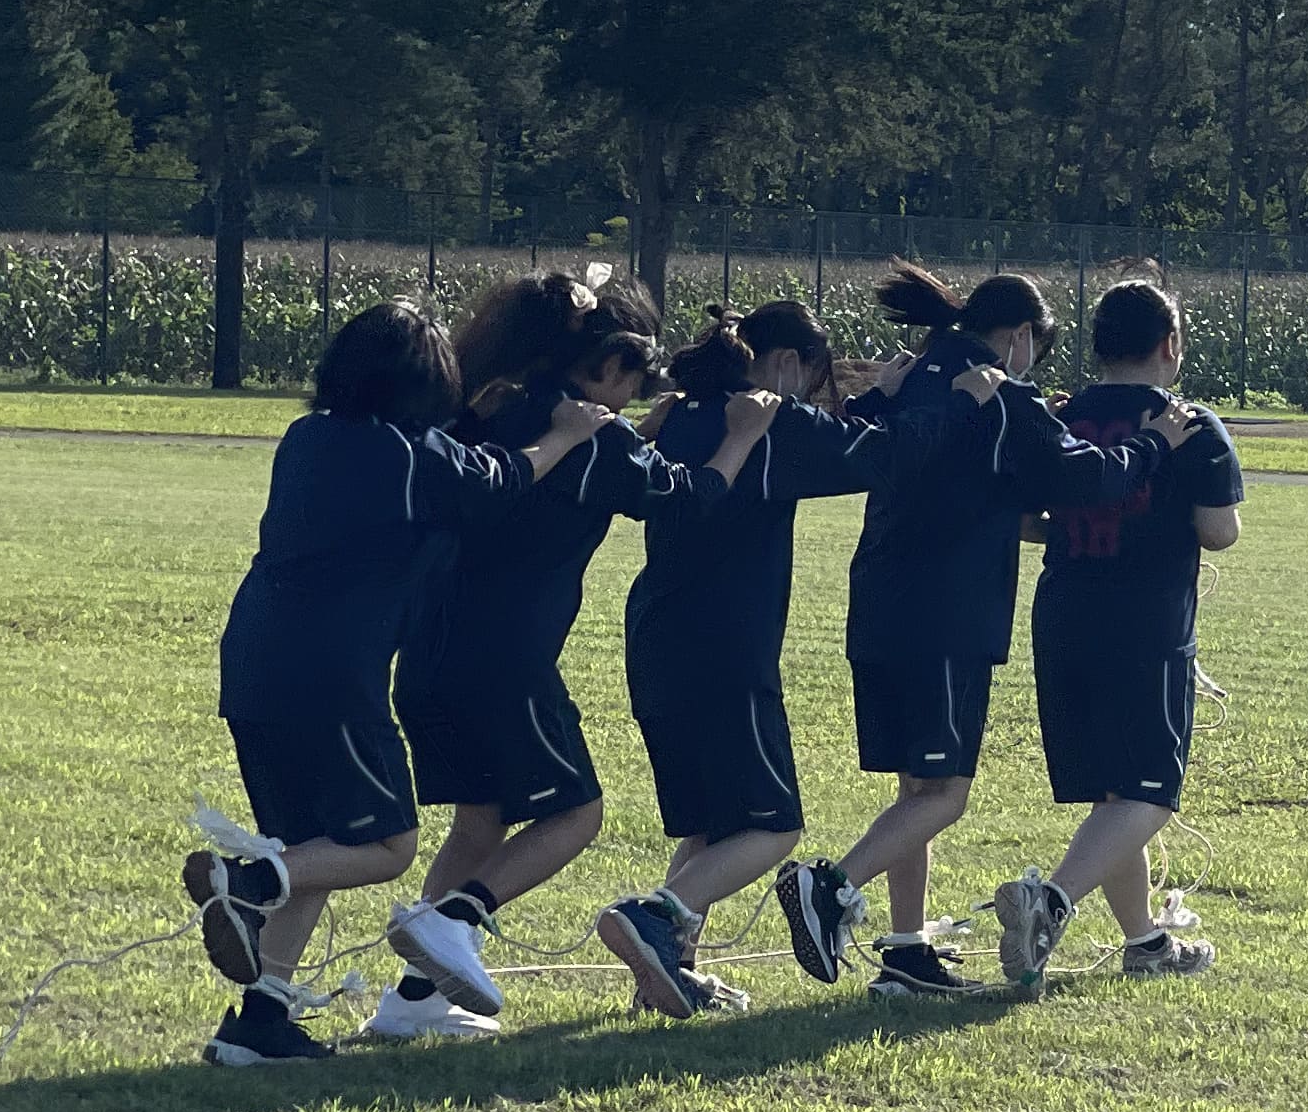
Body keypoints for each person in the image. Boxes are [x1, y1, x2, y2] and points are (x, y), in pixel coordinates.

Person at [190, 299, 609, 1067]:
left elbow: (429, 471)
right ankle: (249, 882)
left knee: (315, 843)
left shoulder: (309, 437)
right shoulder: (409, 456)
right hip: (330, 674)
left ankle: (259, 1022)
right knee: (385, 845)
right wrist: (566, 435)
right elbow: (504, 478)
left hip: (252, 659)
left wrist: (464, 426)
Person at [371, 270, 779, 1042]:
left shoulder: (481, 408)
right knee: (576, 812)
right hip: (508, 658)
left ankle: (414, 1003)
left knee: (479, 823)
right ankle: (457, 917)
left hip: (426, 650)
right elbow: (691, 501)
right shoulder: (594, 434)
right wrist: (742, 437)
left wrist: (639, 435)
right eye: (632, 371)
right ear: (610, 362)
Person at [780, 262, 1188, 999]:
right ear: (1021, 336)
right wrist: (1156, 440)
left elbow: (962, 481)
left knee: (916, 788)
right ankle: (829, 885)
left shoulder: (918, 376)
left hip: (877, 602)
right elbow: (1087, 480)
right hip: (946, 614)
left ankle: (905, 951)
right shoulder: (996, 391)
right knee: (944, 794)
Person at [593, 304, 907, 1020]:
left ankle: (667, 975)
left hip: (656, 641)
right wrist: (895, 394)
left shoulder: (681, 411)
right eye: (816, 377)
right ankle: (653, 916)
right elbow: (872, 450)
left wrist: (863, 394)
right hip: (725, 648)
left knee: (710, 827)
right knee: (772, 826)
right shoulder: (772, 422)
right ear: (790, 365)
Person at [990, 280, 1243, 988]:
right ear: (1170, 346)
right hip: (1144, 621)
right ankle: (1052, 902)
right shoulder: (1189, 421)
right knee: (1151, 794)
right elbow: (1219, 531)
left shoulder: (1059, 414)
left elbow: (1022, 514)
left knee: (1113, 794)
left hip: (1064, 610)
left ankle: (1145, 942)